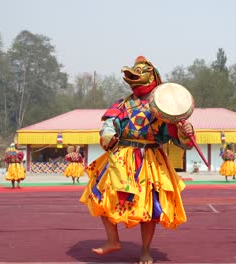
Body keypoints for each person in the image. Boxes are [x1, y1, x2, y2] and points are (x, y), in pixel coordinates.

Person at [80, 56, 195, 264]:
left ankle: (145, 250)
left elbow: (181, 140)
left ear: (153, 77)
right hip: (120, 158)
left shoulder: (163, 107)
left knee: (149, 208)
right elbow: (108, 123)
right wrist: (108, 135)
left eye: (141, 74)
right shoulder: (122, 104)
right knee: (103, 197)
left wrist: (186, 131)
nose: (134, 78)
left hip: (150, 160)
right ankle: (112, 240)